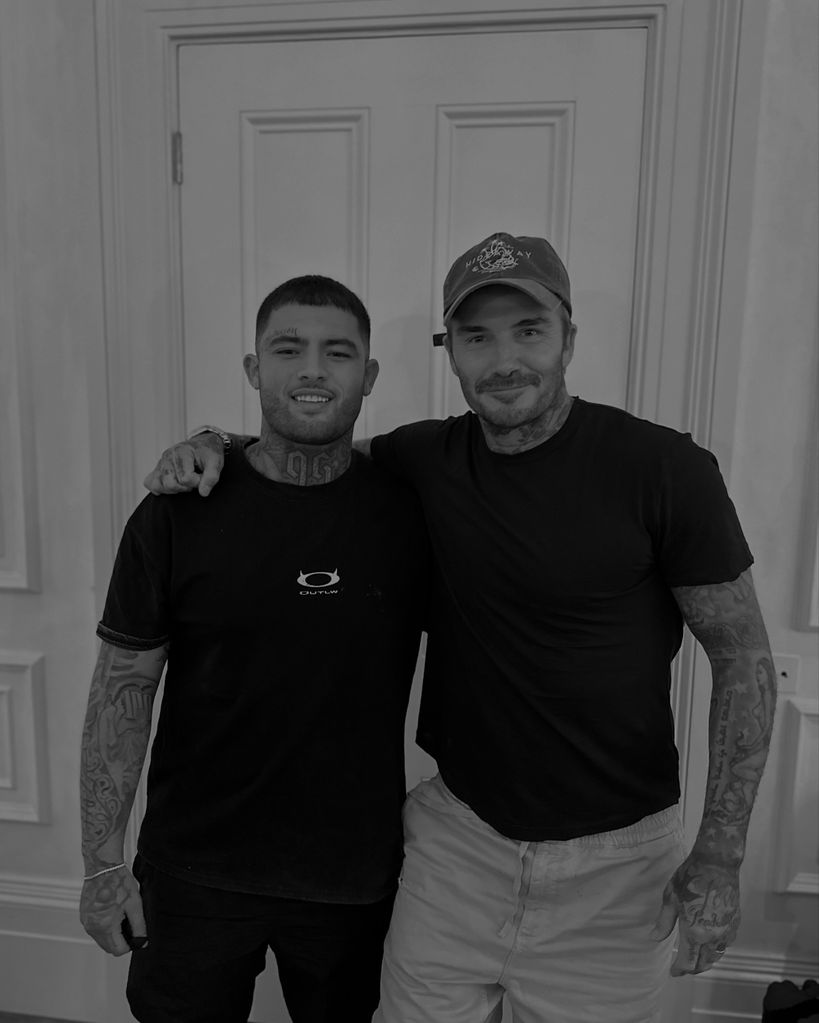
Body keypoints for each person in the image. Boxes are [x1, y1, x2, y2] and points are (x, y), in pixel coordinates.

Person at [146, 233, 777, 1023]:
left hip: (615, 867)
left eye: (528, 330)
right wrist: (211, 439)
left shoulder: (663, 470)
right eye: (477, 336)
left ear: (568, 338)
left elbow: (743, 656)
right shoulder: (425, 458)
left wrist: (719, 851)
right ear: (450, 351)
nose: (504, 358)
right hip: (457, 847)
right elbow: (309, 445)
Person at [80, 276, 429, 1023]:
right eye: (287, 348)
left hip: (353, 877)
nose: (311, 369)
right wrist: (104, 864)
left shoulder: (411, 513)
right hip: (192, 871)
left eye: (337, 352)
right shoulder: (178, 510)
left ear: (366, 377)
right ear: (252, 368)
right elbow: (123, 688)